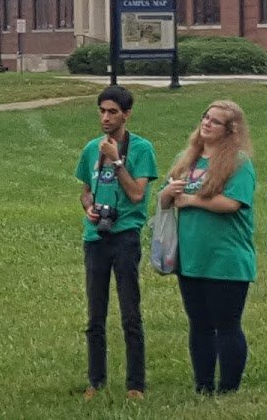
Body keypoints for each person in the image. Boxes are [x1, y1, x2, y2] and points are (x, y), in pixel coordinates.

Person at [157, 100, 257, 395]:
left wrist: (193, 200)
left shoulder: (238, 163)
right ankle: (202, 385)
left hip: (226, 257)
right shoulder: (188, 158)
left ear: (230, 130)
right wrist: (167, 194)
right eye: (205, 117)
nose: (207, 124)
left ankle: (228, 388)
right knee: (199, 323)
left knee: (226, 324)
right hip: (190, 256)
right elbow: (166, 200)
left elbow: (233, 203)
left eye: (215, 121)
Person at [74, 85, 158, 401]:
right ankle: (96, 381)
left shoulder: (141, 149)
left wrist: (117, 162)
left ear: (126, 114)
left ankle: (135, 384)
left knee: (129, 313)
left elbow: (137, 194)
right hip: (95, 238)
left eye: (112, 112)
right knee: (95, 315)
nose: (106, 118)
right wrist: (88, 207)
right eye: (102, 111)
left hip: (125, 236)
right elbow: (85, 190)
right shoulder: (90, 149)